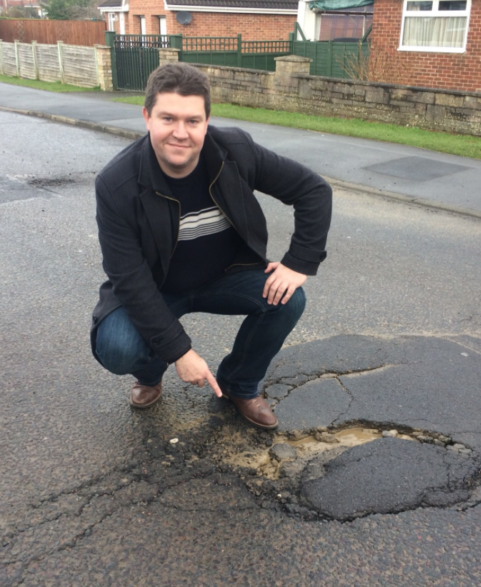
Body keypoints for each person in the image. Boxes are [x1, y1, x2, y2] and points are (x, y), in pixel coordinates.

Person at [90, 62, 332, 430]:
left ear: (206, 121)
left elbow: (312, 190)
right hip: (156, 289)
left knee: (287, 298)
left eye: (192, 121)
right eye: (167, 118)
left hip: (225, 277)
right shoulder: (116, 183)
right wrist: (179, 353)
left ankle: (239, 385)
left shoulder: (234, 150)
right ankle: (150, 370)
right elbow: (129, 279)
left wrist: (299, 262)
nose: (180, 133)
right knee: (118, 347)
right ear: (146, 117)